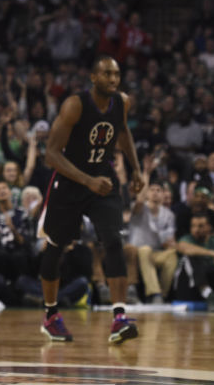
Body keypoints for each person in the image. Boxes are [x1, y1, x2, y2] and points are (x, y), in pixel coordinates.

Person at [39, 55, 143, 344]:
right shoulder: (75, 105)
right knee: (56, 246)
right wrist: (87, 181)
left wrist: (136, 168)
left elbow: (123, 133)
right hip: (70, 183)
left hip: (103, 180)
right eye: (107, 74)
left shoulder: (121, 102)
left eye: (117, 74)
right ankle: (50, 316)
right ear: (94, 78)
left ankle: (119, 318)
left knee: (113, 241)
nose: (113, 79)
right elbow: (51, 154)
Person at [174, 213, 214, 311]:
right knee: (189, 257)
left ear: (209, 227)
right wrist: (212, 253)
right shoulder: (187, 239)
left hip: (211, 281)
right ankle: (207, 293)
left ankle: (211, 295)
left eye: (200, 226)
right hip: (186, 285)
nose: (196, 230)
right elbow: (185, 249)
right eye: (193, 226)